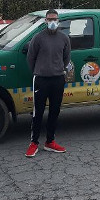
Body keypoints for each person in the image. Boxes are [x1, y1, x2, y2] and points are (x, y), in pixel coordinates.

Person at [25, 9, 71, 157]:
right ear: (45, 21)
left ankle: (50, 142)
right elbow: (30, 58)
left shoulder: (64, 38)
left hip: (58, 79)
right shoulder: (38, 38)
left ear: (58, 21)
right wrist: (39, 71)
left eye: (55, 19)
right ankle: (34, 143)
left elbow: (66, 58)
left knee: (54, 111)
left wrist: (60, 70)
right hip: (41, 79)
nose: (52, 22)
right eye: (49, 19)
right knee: (38, 112)